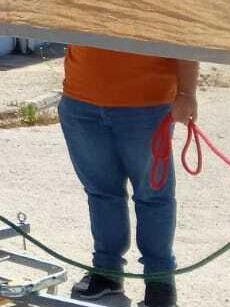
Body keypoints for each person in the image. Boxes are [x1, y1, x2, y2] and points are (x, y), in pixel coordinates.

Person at [61, 46, 196, 307]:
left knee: (153, 196)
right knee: (101, 193)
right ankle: (107, 273)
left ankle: (159, 284)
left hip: (147, 104)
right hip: (81, 100)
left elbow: (185, 30)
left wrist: (187, 93)